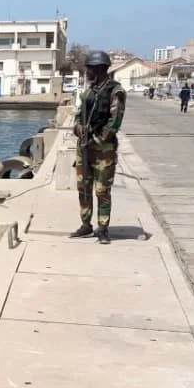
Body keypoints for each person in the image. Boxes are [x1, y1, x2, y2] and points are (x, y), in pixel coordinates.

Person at [71, 50, 127, 243]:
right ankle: (85, 225)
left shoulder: (115, 92)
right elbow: (78, 114)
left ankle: (102, 228)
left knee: (102, 190)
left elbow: (114, 122)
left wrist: (96, 139)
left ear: (99, 69)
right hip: (84, 147)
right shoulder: (89, 91)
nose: (87, 72)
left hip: (103, 150)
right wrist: (78, 128)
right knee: (83, 188)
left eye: (89, 69)